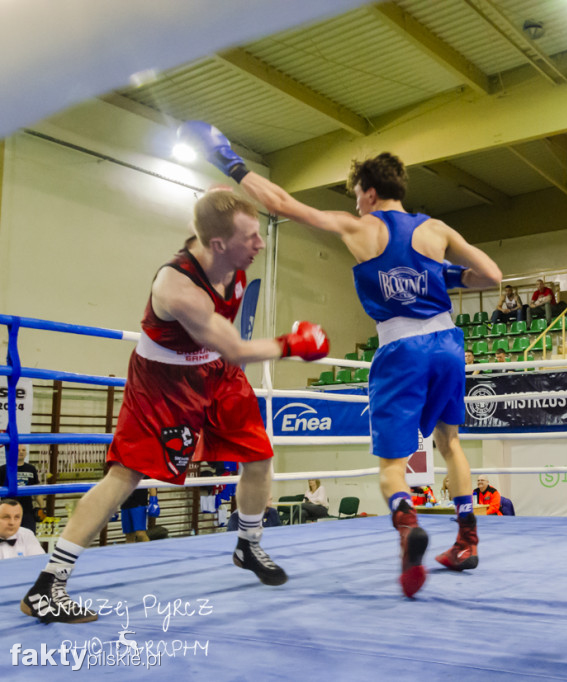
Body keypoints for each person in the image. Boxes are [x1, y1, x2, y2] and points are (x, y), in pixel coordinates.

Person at [180, 121, 503, 597]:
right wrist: (443, 277)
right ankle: (467, 539)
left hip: (401, 349)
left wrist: (229, 160)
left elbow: (284, 205)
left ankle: (405, 521)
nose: (355, 203)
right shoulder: (435, 228)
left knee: (392, 464)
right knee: (450, 443)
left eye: (356, 194)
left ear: (369, 193)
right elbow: (492, 276)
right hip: (449, 344)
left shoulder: (361, 226)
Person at [20, 190, 331, 624]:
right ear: (218, 245)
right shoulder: (179, 288)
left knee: (259, 457)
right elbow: (239, 348)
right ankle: (48, 585)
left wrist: (233, 172)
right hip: (164, 384)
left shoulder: (226, 250)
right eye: (250, 237)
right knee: (126, 475)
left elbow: (211, 217)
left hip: (217, 371)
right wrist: (293, 344)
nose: (260, 244)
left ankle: (247, 543)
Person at [0, 444, 46, 534]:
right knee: (7, 539)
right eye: (18, 450)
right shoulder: (3, 469)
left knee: (28, 538)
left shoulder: (31, 469)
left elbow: (36, 491)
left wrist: (42, 508)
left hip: (27, 512)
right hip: (8, 512)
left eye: (23, 450)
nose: (21, 452)